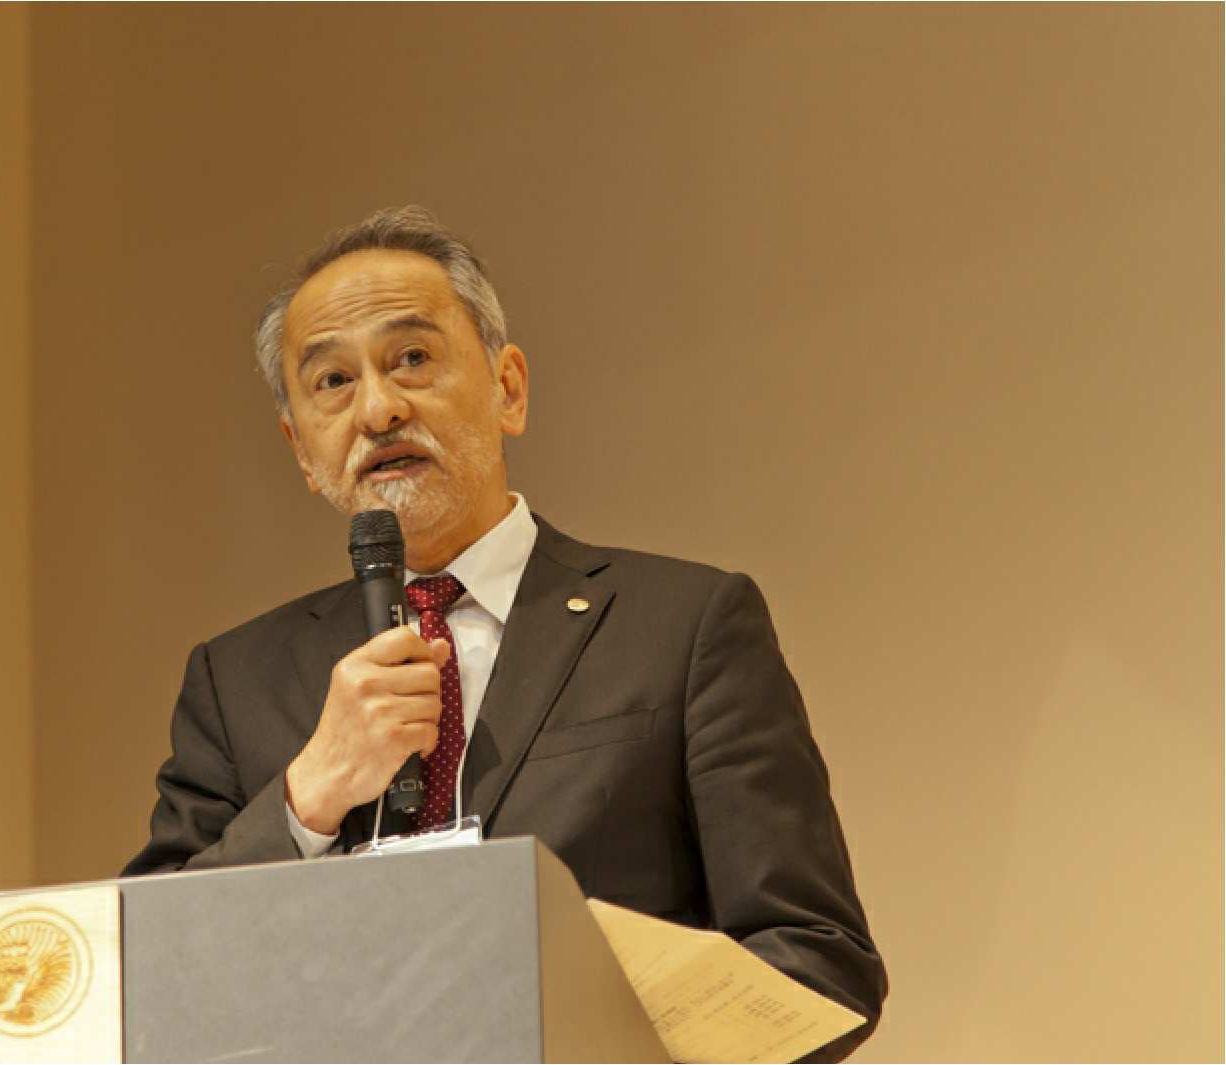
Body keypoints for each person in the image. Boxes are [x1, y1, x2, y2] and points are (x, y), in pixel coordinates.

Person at [123, 206, 887, 1060]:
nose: (378, 408)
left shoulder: (685, 626)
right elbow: (147, 982)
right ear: (301, 448)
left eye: (412, 358)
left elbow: (816, 964)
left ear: (508, 389)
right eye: (333, 381)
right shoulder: (235, 681)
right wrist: (310, 793)